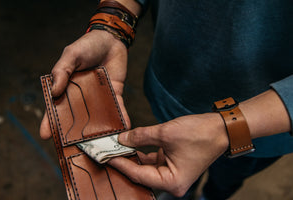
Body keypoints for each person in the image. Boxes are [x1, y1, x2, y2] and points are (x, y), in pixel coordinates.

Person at [40, 0, 293, 199]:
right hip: (172, 83)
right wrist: (113, 23)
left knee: (228, 178)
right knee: (169, 163)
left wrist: (227, 129)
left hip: (264, 125)